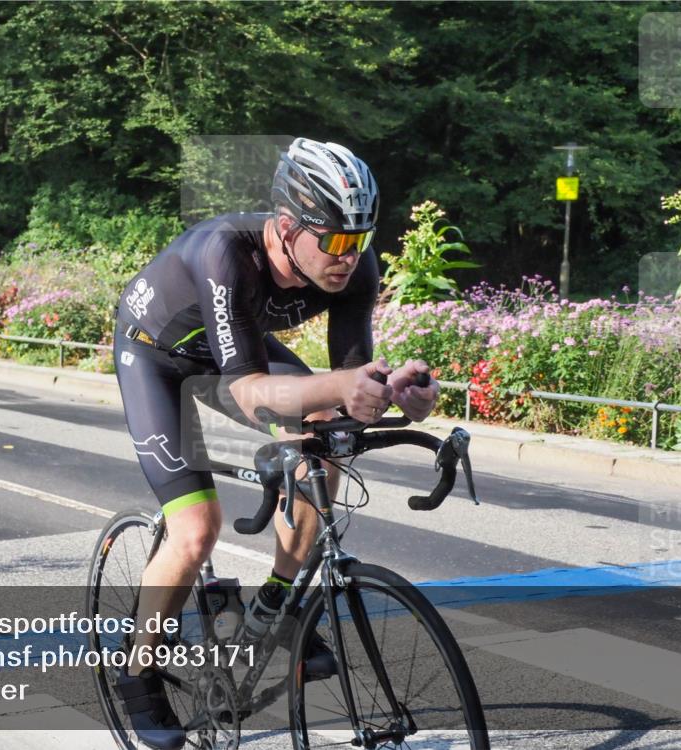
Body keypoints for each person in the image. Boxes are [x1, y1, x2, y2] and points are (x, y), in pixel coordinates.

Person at [112, 137, 440, 749]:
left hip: (233, 352)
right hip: (155, 357)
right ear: (287, 228)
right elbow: (246, 391)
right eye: (336, 239)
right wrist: (341, 385)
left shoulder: (353, 268)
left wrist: (390, 390)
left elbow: (348, 382)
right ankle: (136, 672)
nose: (349, 256)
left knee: (326, 432)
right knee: (195, 532)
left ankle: (278, 603)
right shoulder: (226, 253)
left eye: (361, 239)